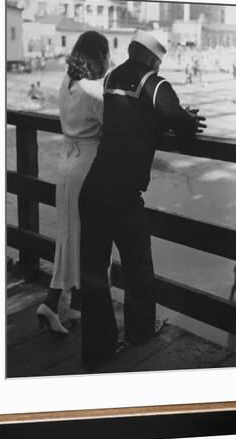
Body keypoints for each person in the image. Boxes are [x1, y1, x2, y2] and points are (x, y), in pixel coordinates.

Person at [79, 30, 206, 368]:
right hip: (123, 196)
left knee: (93, 273)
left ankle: (98, 349)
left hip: (92, 190)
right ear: (153, 59)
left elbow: (132, 117)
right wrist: (187, 118)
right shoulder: (156, 84)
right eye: (158, 60)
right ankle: (140, 333)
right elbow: (179, 121)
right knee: (138, 267)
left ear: (132, 50)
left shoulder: (111, 79)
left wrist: (166, 118)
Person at [36, 31, 110, 334]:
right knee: (91, 241)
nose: (110, 60)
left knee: (68, 237)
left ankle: (73, 305)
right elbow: (114, 126)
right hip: (87, 166)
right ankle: (54, 302)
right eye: (107, 54)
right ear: (99, 57)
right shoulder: (95, 91)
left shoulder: (67, 85)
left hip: (66, 164)